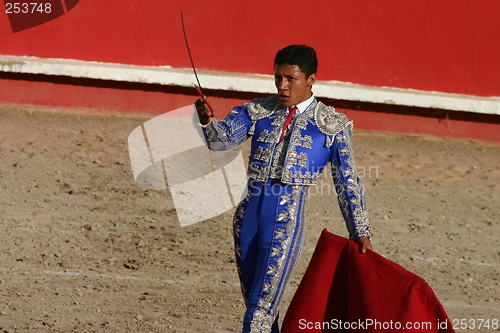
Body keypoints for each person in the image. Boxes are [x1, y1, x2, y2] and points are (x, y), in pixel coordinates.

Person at [195, 45, 372, 333]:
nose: (282, 86)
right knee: (259, 307)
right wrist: (206, 121)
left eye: (291, 78)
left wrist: (360, 230)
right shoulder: (258, 110)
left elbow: (347, 182)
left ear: (311, 79)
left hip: (284, 223)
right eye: (278, 77)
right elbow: (220, 141)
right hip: (247, 219)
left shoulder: (332, 124)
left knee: (259, 312)